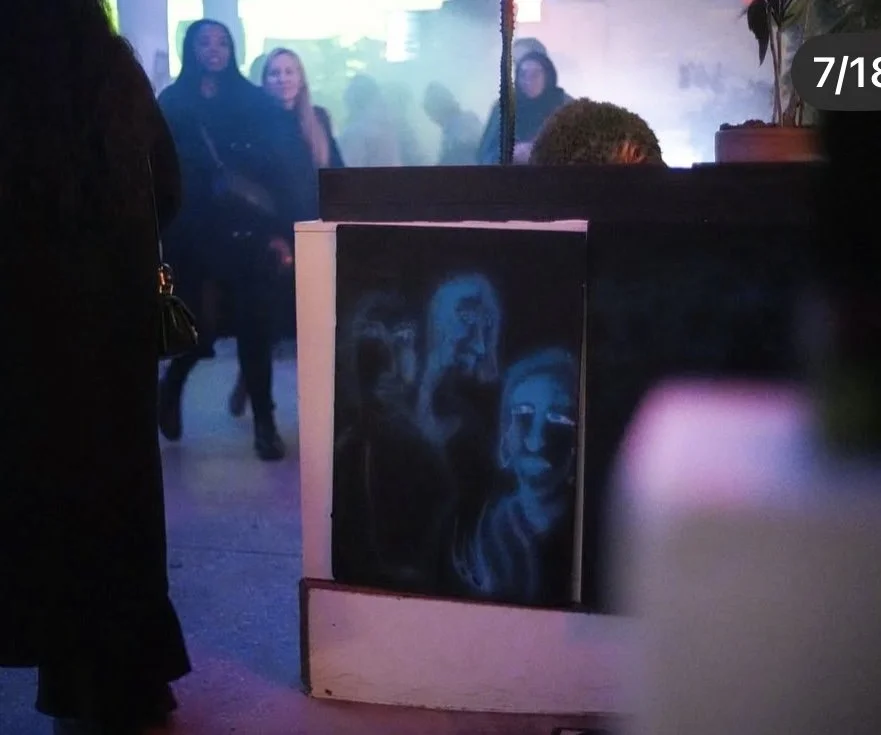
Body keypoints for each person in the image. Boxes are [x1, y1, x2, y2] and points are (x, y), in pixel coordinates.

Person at [0, 2, 191, 733]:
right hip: (113, 327)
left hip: (23, 332)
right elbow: (167, 187)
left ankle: (65, 666)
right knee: (120, 494)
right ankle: (130, 676)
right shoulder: (115, 73)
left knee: (43, 497)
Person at [157, 19, 306, 461]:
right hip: (192, 232)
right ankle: (173, 386)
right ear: (191, 47)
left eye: (222, 42)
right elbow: (157, 168)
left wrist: (281, 232)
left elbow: (278, 169)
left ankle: (264, 422)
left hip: (247, 229)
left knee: (254, 324)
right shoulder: (173, 102)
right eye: (205, 42)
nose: (214, 49)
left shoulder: (251, 100)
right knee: (198, 328)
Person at [226, 47, 345, 418]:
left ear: (301, 77)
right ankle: (257, 395)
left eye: (289, 71)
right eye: (275, 73)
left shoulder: (317, 119)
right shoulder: (252, 124)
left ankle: (306, 408)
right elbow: (248, 188)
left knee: (310, 326)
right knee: (267, 324)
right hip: (272, 238)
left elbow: (336, 173)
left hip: (314, 236)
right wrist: (270, 236)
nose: (283, 79)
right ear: (264, 81)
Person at [477, 50, 572, 165]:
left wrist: (544, 153)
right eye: (523, 74)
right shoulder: (504, 107)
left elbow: (579, 151)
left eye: (535, 75)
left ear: (547, 76)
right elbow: (484, 155)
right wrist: (511, 154)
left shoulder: (566, 107)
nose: (528, 81)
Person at [423, 82, 483, 165]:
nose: (431, 119)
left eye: (431, 112)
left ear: (439, 108)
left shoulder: (457, 139)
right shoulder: (469, 120)